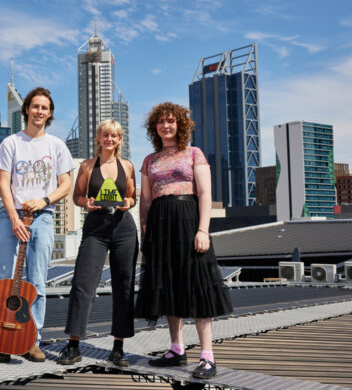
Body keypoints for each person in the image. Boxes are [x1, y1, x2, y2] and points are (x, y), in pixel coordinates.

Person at [135, 102, 233, 379]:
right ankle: (176, 350)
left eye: (171, 121)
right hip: (160, 225)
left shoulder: (194, 153)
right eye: (161, 122)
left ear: (180, 125)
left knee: (199, 285)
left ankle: (207, 357)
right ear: (155, 127)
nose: (166, 126)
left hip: (189, 221)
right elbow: (145, 200)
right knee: (167, 285)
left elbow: (204, 193)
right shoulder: (149, 161)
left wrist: (203, 230)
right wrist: (146, 233)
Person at [0, 87, 74, 363]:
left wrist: (44, 200)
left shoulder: (57, 146)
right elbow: (4, 183)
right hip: (10, 217)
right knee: (5, 280)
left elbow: (66, 185)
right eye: (35, 106)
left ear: (50, 114)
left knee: (37, 282)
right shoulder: (10, 143)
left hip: (43, 218)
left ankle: (31, 340)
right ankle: (2, 338)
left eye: (45, 108)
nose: (39, 111)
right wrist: (14, 218)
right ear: (26, 109)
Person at [56, 120, 139, 367]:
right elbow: (77, 196)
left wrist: (128, 203)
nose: (109, 139)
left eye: (114, 135)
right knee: (83, 285)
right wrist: (87, 203)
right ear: (99, 139)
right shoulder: (87, 166)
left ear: (120, 139)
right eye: (105, 135)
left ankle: (118, 348)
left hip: (124, 228)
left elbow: (132, 197)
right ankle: (73, 345)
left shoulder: (127, 166)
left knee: (124, 286)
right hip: (95, 228)